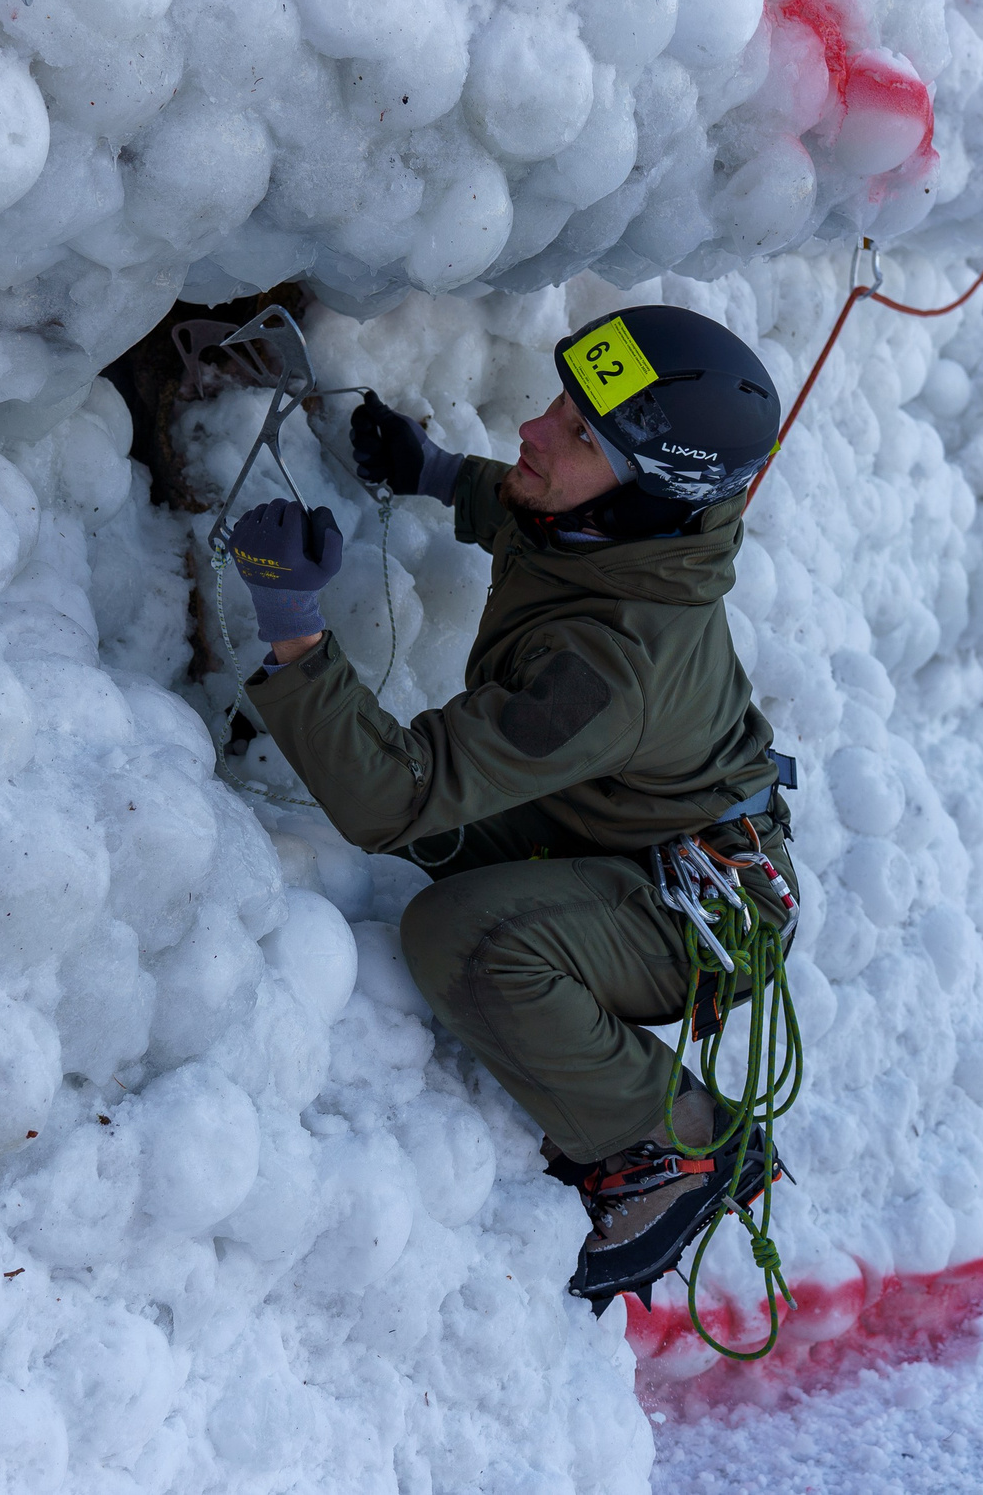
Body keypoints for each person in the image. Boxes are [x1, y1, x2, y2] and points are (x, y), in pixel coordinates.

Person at [219, 304, 796, 1311]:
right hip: (628, 830)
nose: (533, 430)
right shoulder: (631, 530)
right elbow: (539, 519)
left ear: (648, 493)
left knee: (465, 936)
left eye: (578, 434)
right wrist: (435, 473)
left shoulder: (610, 665)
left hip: (701, 911)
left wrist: (295, 631)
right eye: (560, 407)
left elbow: (387, 798)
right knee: (454, 826)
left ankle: (673, 1144)